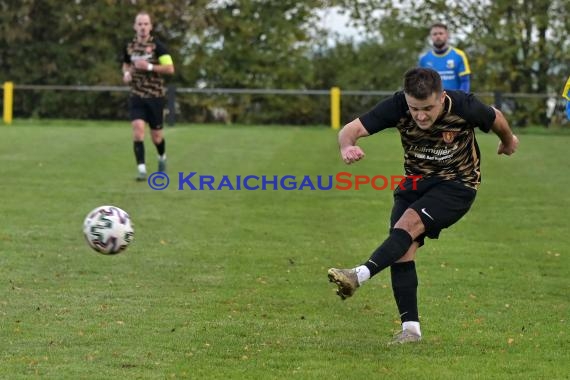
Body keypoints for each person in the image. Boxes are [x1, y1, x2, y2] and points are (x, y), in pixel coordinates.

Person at [327, 67, 519, 345]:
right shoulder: (397, 105)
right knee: (401, 248)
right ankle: (411, 330)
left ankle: (358, 275)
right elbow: (350, 130)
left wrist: (508, 140)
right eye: (415, 108)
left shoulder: (464, 105)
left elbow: (496, 117)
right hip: (415, 183)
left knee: (406, 225)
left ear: (441, 97)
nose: (420, 115)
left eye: (428, 108)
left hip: (458, 184)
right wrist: (347, 146)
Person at [122, 11, 175, 181]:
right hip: (137, 95)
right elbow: (125, 64)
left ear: (150, 27)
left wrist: (150, 67)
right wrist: (126, 74)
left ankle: (162, 157)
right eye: (140, 24)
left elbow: (170, 68)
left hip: (155, 96)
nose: (143, 27)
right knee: (138, 130)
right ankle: (142, 170)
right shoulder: (129, 46)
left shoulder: (158, 46)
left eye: (146, 24)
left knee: (156, 136)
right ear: (134, 26)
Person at [419, 22, 471, 92]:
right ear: (431, 36)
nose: (438, 36)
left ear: (447, 35)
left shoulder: (459, 55)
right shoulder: (424, 59)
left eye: (441, 33)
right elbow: (422, 83)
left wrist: (461, 100)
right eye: (435, 34)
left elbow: (465, 81)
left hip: (455, 101)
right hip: (432, 102)